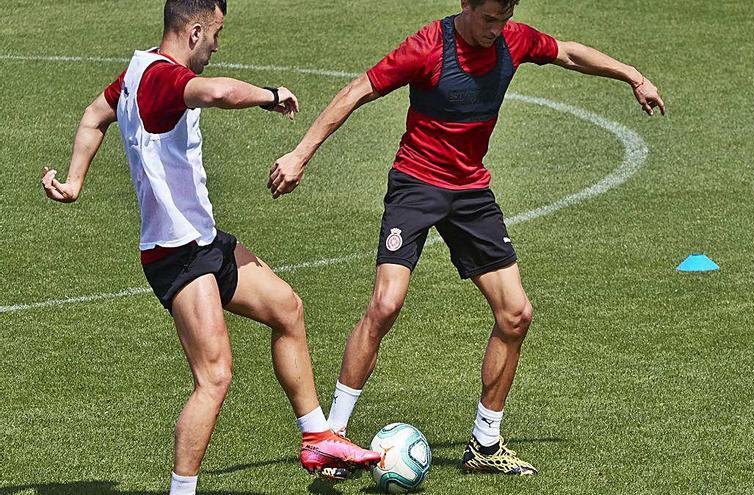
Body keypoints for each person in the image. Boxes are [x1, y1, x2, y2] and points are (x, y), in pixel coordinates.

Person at [268, 0, 665, 476]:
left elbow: (570, 54)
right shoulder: (429, 46)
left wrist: (632, 76)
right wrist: (300, 155)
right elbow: (358, 91)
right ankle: (332, 437)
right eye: (489, 18)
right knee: (386, 304)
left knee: (516, 314)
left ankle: (485, 443)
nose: (497, 30)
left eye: (506, 18)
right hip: (415, 186)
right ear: (466, 5)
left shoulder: (513, 40)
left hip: (470, 193)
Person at [40, 1, 380, 493]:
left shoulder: (135, 72)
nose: (217, 46)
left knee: (287, 308)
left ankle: (317, 437)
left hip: (203, 241)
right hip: (175, 253)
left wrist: (75, 181)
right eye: (217, 35)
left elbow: (96, 114)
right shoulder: (162, 80)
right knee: (215, 376)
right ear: (195, 30)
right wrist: (270, 94)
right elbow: (216, 91)